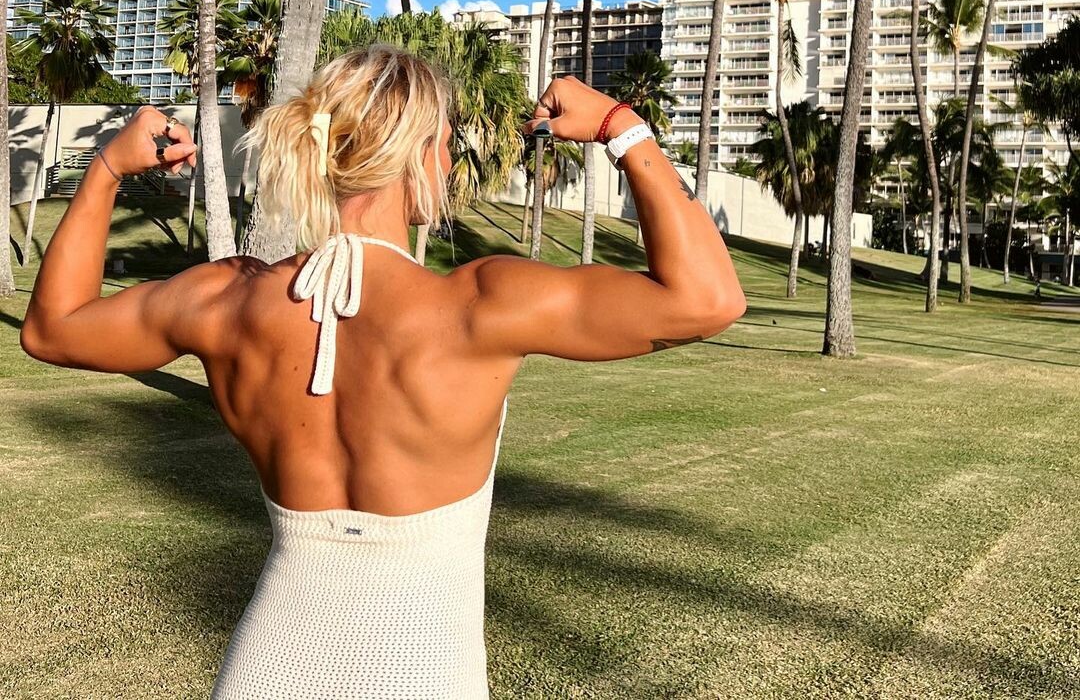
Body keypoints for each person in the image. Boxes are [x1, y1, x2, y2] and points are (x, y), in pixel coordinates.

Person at [21, 44, 746, 699]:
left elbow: (53, 329)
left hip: (264, 669)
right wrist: (623, 127)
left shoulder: (225, 299)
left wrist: (108, 167)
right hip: (425, 671)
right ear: (421, 154)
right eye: (447, 145)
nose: (450, 165)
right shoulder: (480, 305)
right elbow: (708, 300)